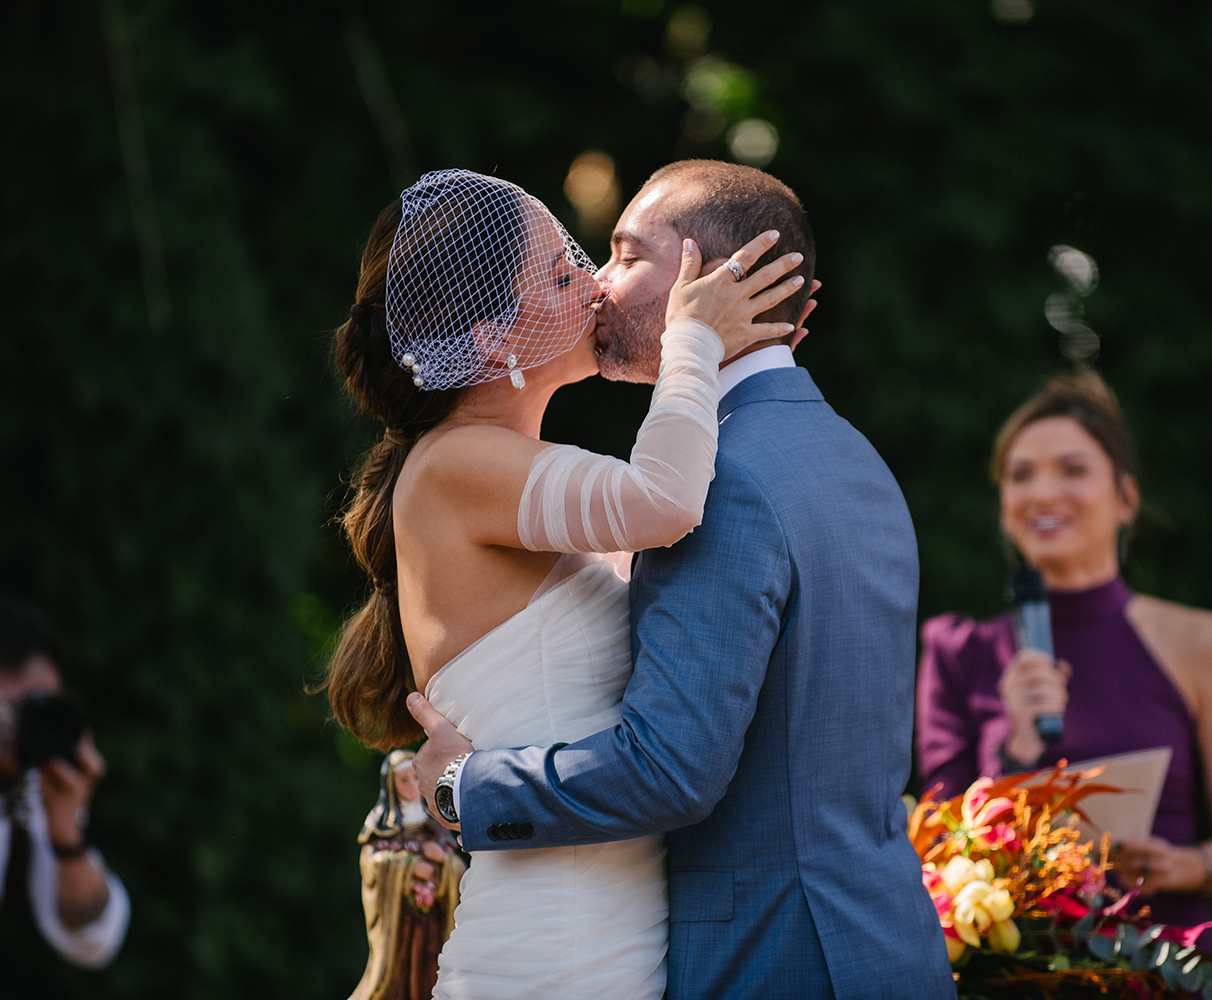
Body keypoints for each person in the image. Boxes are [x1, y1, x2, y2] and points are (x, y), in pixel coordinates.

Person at [407, 161, 955, 1000]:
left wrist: (460, 788)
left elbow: (670, 769)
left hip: (772, 960)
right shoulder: (857, 459)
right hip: (885, 945)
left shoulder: (718, 482)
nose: (597, 282)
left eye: (626, 256)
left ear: (713, 280)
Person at [323, 166, 817, 1000]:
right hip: (551, 953)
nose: (593, 284)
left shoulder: (501, 474)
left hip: (613, 938)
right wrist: (694, 341)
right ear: (489, 338)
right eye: (559, 274)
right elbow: (664, 500)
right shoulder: (454, 464)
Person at [915, 371, 1212, 954]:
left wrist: (1183, 866)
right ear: (1004, 508)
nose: (1043, 493)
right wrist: (1014, 752)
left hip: (1164, 965)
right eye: (1020, 475)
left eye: (1072, 470)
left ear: (1125, 498)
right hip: (1018, 974)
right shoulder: (959, 653)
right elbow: (938, 852)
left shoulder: (1203, 645)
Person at [0, 600, 129, 970]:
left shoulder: (27, 792)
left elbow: (93, 940)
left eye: (35, 709)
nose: (12, 731)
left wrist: (66, 831)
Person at [351, 749, 465, 1000]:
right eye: (403, 780)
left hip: (433, 921)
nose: (412, 786)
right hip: (398, 920)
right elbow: (371, 862)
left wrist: (443, 862)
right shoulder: (381, 826)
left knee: (430, 972)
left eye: (415, 778)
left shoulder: (434, 824)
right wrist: (408, 866)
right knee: (398, 974)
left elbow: (460, 871)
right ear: (391, 785)